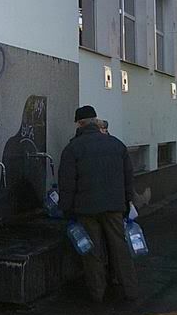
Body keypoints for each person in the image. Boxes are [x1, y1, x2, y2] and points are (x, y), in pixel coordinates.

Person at [58, 105, 138, 303]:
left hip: (86, 208)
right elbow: (128, 177)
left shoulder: (72, 148)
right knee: (119, 248)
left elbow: (67, 183)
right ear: (96, 121)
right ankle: (130, 290)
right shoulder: (116, 145)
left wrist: (66, 209)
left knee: (92, 251)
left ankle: (97, 293)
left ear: (80, 124)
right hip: (114, 206)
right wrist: (128, 202)